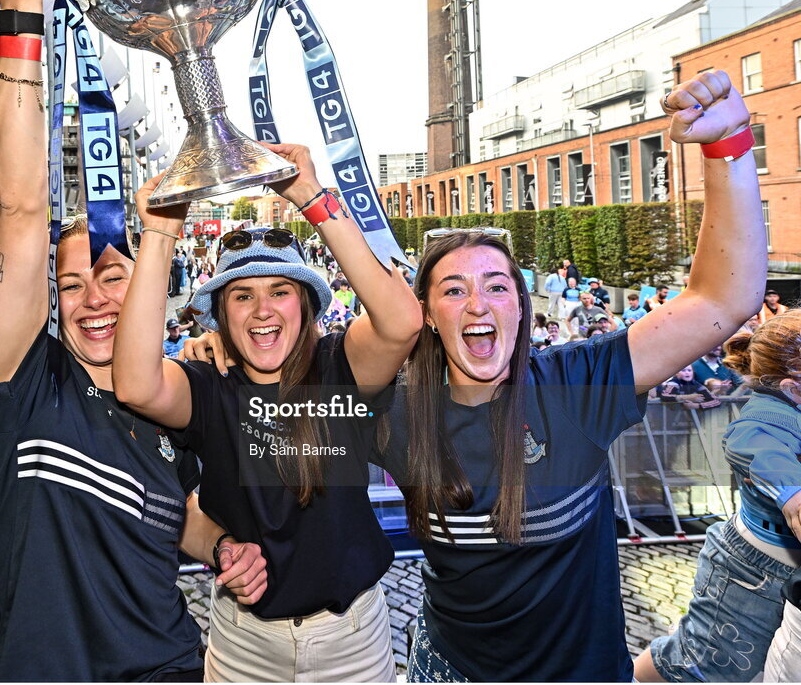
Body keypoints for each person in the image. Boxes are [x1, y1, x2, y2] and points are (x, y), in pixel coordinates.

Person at [374, 68, 766, 682]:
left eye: (497, 286)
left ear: (522, 307)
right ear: (425, 314)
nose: (478, 304)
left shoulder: (575, 385)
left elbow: (722, 301)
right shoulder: (394, 411)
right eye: (454, 289)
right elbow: (270, 432)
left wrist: (728, 146)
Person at [0, 0, 267, 682]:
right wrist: (21, 9)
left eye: (111, 274)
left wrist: (222, 544)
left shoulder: (173, 396)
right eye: (68, 283)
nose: (92, 296)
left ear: (150, 288)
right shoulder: (27, 383)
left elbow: (179, 513)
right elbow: (21, 207)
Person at [113, 142, 423, 683]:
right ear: (219, 315)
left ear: (306, 306)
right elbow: (136, 383)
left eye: (280, 291)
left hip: (352, 641)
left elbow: (402, 322)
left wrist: (309, 194)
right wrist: (160, 232)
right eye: (242, 296)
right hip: (244, 647)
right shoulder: (210, 387)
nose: (262, 311)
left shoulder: (338, 369)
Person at [635, 315, 801, 682]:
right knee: (698, 666)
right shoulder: (765, 417)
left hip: (777, 565)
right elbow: (756, 448)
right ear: (793, 389)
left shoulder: (789, 401)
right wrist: (793, 494)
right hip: (753, 570)